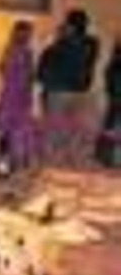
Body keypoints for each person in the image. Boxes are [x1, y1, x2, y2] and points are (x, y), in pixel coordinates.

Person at [35, 9, 100, 164]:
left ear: (70, 26)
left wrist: (60, 39)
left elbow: (43, 71)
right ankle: (66, 162)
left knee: (58, 131)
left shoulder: (63, 45)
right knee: (72, 131)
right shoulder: (91, 43)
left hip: (62, 91)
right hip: (76, 91)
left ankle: (55, 162)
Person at [0, 20, 37, 175]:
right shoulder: (15, 50)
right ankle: (5, 164)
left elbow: (28, 76)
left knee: (17, 130)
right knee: (9, 130)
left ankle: (10, 164)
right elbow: (4, 70)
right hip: (13, 95)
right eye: (26, 33)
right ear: (18, 33)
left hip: (17, 95)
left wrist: (27, 93)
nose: (28, 36)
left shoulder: (20, 51)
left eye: (29, 33)